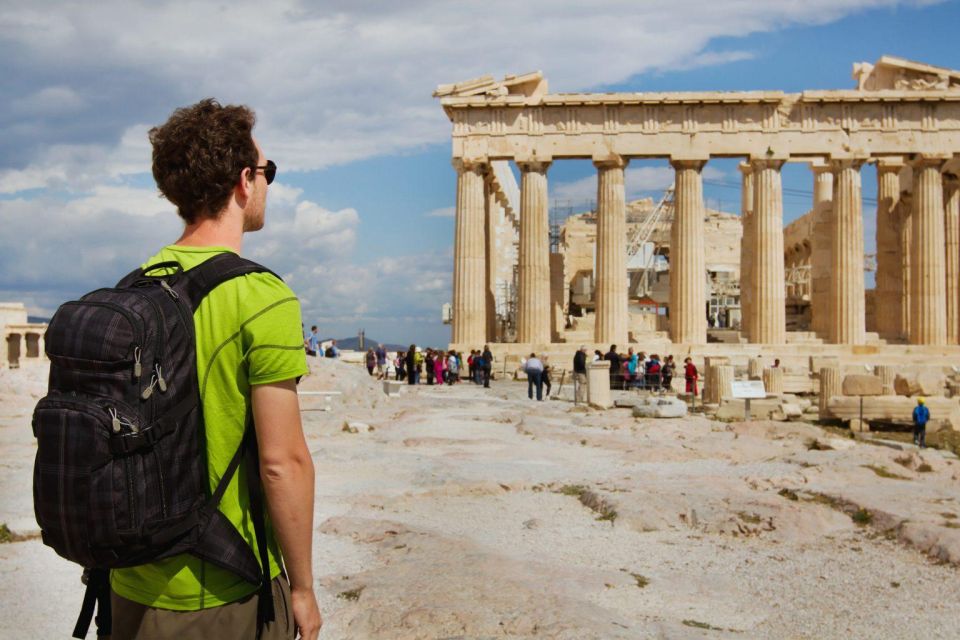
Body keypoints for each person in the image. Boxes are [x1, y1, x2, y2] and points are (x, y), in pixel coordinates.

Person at [110, 100, 321, 639]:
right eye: (267, 172)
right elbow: (282, 463)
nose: (268, 185)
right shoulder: (262, 297)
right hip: (224, 585)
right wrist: (302, 588)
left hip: (128, 579)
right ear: (243, 182)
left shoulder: (132, 286)